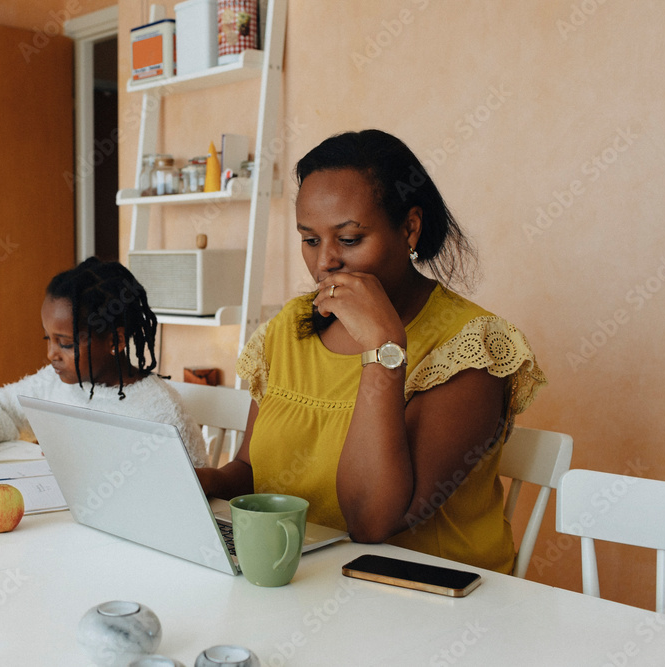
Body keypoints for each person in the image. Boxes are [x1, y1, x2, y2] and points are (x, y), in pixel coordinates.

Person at [196, 130, 547, 573]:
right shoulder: (289, 330)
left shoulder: (470, 350)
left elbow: (371, 520)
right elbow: (250, 469)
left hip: (435, 601)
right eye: (309, 240)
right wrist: (201, 481)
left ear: (409, 229)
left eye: (349, 239)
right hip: (311, 578)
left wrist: (383, 348)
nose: (324, 262)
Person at [0, 257, 208, 466]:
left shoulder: (160, 411)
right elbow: (3, 406)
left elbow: (193, 490)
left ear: (115, 341)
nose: (51, 355)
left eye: (66, 344)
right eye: (48, 339)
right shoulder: (56, 382)